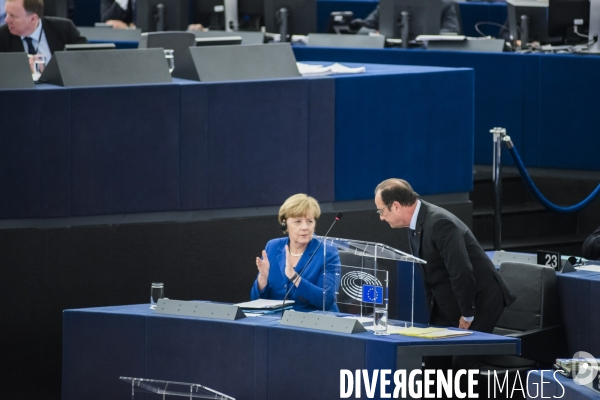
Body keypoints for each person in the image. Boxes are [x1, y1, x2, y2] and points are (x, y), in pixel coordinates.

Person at [374, 178, 515, 371]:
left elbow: (461, 271)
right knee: (434, 360)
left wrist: (467, 313)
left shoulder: (440, 223)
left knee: (462, 363)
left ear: (396, 206)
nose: (381, 217)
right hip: (449, 301)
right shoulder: (415, 223)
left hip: (480, 299)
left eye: (381, 211)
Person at [250, 194, 341, 312]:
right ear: (285, 224)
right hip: (276, 322)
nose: (305, 227)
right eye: (298, 221)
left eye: (309, 221)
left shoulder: (327, 252)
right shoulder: (273, 246)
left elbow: (327, 300)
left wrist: (294, 277)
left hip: (315, 322)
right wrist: (263, 278)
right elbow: (255, 300)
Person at [0, 0, 86, 59]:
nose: (6, 20)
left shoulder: (64, 28)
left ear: (33, 19)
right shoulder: (2, 36)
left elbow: (87, 55)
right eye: (7, 14)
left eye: (13, 16)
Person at [357, 0, 460, 35]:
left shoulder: (445, 4)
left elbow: (452, 32)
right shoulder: (389, 3)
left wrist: (427, 37)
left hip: (429, 54)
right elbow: (363, 29)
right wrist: (377, 34)